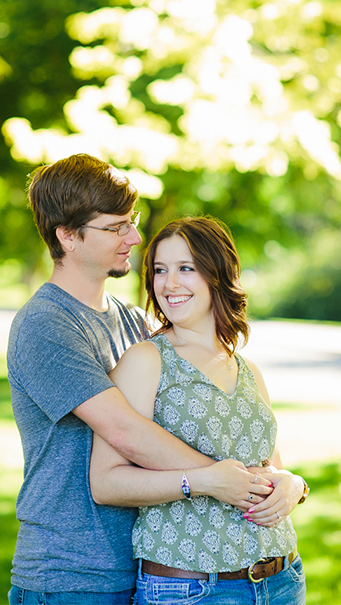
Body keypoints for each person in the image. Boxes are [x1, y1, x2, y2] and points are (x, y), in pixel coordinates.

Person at [7, 155, 271, 604]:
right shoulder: (46, 324)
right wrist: (229, 483)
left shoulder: (131, 322)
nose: (134, 237)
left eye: (134, 221)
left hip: (144, 564)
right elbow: (124, 430)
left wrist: (277, 479)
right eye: (116, 227)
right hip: (72, 574)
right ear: (67, 236)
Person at [89, 216, 308, 605]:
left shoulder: (247, 369)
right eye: (160, 270)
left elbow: (268, 469)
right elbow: (106, 483)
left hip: (282, 581)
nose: (169, 284)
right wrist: (201, 481)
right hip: (191, 589)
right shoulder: (146, 361)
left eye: (185, 268)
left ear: (217, 274)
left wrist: (293, 485)